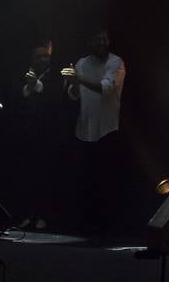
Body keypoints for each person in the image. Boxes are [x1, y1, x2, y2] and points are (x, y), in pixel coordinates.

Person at [60, 29, 125, 238]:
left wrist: (79, 79)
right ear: (90, 42)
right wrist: (73, 84)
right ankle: (84, 226)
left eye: (105, 39)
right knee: (85, 181)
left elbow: (106, 89)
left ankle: (106, 228)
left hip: (107, 129)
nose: (102, 42)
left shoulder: (116, 62)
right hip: (84, 129)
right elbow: (73, 96)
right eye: (98, 39)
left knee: (105, 182)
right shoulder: (82, 63)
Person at [15, 41, 62, 231]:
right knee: (27, 176)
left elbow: (56, 99)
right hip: (26, 133)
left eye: (46, 56)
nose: (44, 60)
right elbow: (15, 96)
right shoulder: (22, 73)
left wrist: (36, 84)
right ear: (32, 58)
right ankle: (27, 214)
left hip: (48, 134)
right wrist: (29, 86)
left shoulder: (54, 76)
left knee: (46, 176)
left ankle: (44, 215)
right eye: (40, 56)